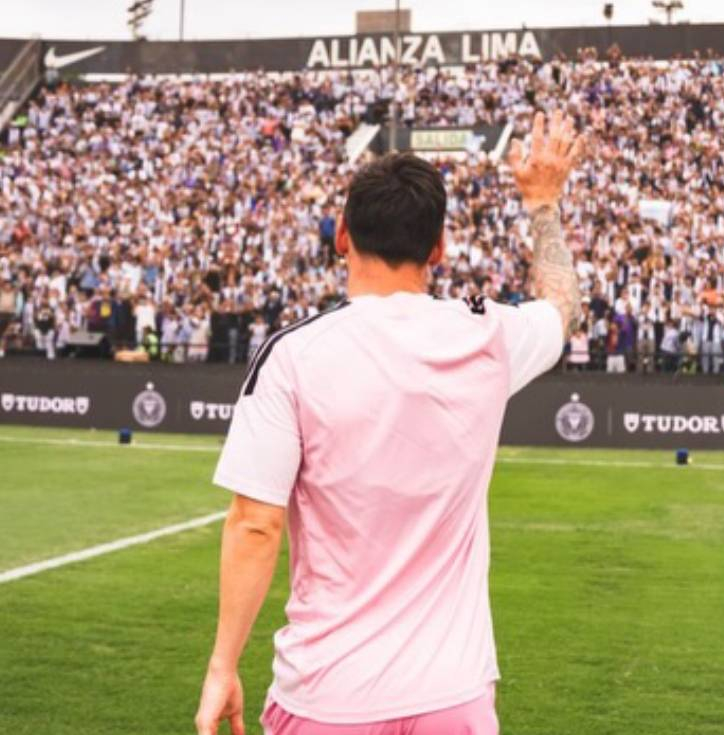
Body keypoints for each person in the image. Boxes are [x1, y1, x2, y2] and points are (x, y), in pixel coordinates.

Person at [195, 111, 585, 735]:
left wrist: (223, 665)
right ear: (439, 248)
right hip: (451, 695)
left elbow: (256, 525)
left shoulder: (294, 354)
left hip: (328, 694)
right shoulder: (487, 336)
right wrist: (542, 203)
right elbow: (562, 304)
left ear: (342, 235)